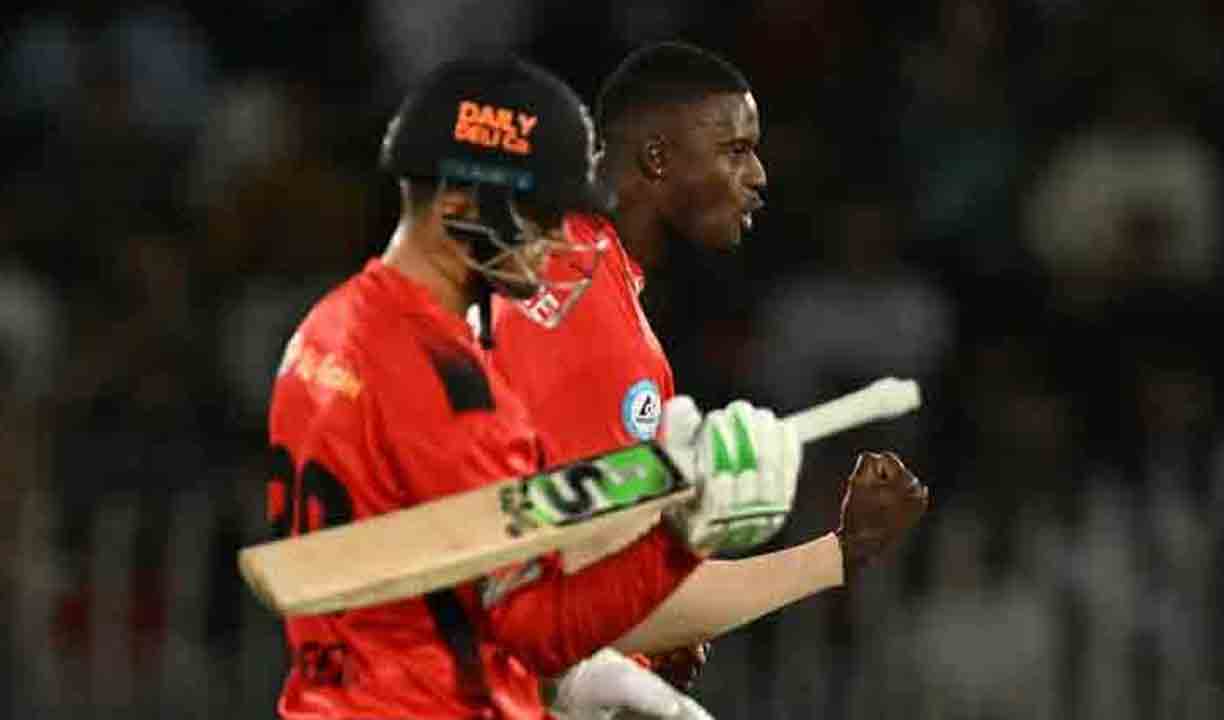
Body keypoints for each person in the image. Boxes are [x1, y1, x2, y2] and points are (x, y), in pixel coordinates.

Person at [265, 55, 806, 719]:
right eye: (545, 212)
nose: (562, 240)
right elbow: (533, 628)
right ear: (462, 206)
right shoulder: (452, 386)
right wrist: (675, 547)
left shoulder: (328, 334)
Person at [488, 40, 931, 697]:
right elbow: (560, 602)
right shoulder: (584, 314)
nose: (759, 176)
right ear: (658, 158)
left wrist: (653, 631)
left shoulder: (578, 278)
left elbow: (588, 589)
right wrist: (840, 552)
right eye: (735, 150)